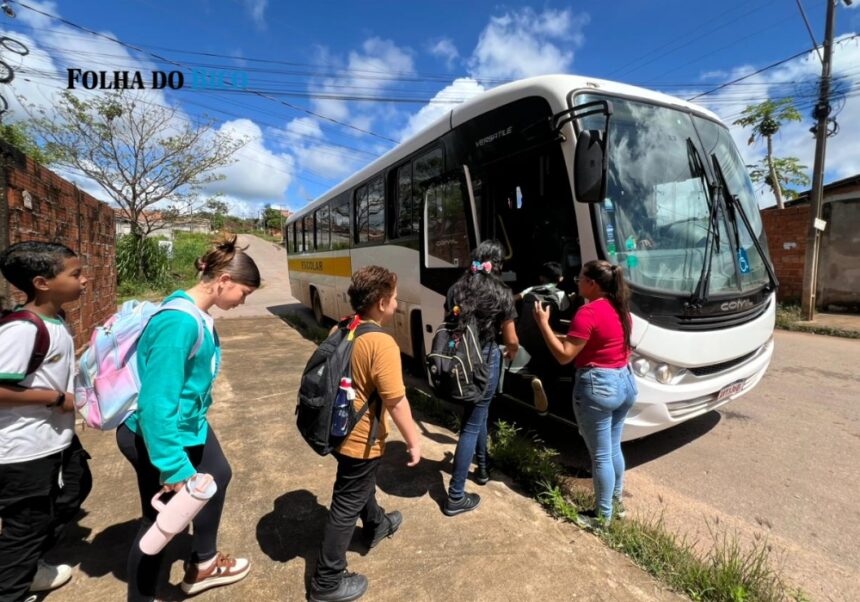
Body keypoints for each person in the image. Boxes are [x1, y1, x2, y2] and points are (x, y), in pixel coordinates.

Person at [115, 234, 259, 602]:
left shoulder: (196, 313)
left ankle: (205, 564)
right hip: (158, 434)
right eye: (243, 293)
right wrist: (173, 465)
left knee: (218, 475)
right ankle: (141, 597)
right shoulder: (179, 323)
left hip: (189, 425)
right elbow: (155, 403)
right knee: (163, 524)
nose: (242, 302)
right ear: (223, 281)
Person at [309, 265, 421, 602]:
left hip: (336, 428)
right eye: (396, 298)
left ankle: (376, 524)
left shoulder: (343, 327)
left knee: (356, 484)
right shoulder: (381, 343)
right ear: (383, 302)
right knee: (345, 503)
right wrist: (414, 440)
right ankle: (326, 582)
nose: (398, 304)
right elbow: (395, 400)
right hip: (362, 438)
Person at [0, 241, 92, 602]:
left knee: (74, 488)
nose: (84, 280)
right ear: (42, 282)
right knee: (26, 524)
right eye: (75, 274)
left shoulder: (57, 320)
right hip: (23, 450)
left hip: (55, 438)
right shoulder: (22, 329)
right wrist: (56, 398)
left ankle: (27, 563)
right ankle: (13, 587)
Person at [534, 259, 636, 529]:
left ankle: (602, 517)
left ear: (592, 284)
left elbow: (565, 355)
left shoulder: (587, 312)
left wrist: (543, 324)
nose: (576, 281)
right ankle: (616, 504)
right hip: (624, 382)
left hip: (599, 387)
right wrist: (559, 334)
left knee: (600, 455)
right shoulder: (621, 309)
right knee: (613, 448)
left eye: (580, 278)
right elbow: (589, 341)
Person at [443, 240, 519, 516]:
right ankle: (455, 495)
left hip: (459, 360)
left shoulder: (456, 289)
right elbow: (511, 339)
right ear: (497, 264)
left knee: (478, 413)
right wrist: (512, 352)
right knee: (471, 424)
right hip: (486, 358)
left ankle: (483, 468)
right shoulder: (502, 292)